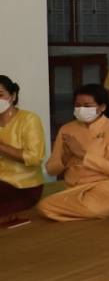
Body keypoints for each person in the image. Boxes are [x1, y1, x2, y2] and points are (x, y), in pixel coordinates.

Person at [39, 85, 109, 220]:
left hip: (107, 184)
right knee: (45, 207)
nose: (81, 109)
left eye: (87, 106)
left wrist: (82, 154)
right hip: (75, 188)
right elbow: (51, 170)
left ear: (102, 107)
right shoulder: (66, 129)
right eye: (78, 105)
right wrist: (65, 158)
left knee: (95, 203)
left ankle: (96, 207)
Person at [0, 75, 46, 222]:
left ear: (12, 96)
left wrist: (2, 147)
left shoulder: (29, 119)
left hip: (24, 186)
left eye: (0, 95)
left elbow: (35, 158)